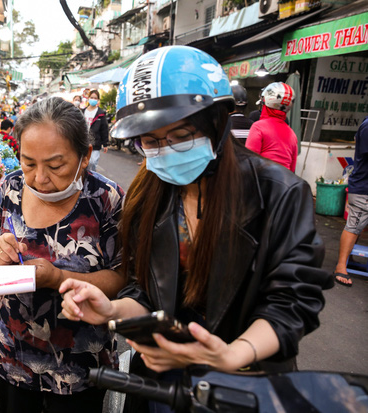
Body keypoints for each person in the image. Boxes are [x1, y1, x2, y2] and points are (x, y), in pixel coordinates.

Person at [59, 46, 332, 412]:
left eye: (181, 135)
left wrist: (233, 354)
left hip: (246, 381)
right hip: (163, 382)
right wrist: (112, 309)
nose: (165, 151)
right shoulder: (146, 194)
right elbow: (144, 288)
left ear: (218, 123)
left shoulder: (279, 193)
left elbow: (293, 301)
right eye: (151, 142)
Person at [0, 97, 125, 413]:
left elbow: (122, 280)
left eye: (56, 166)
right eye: (28, 163)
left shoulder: (105, 199)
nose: (39, 178)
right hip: (13, 355)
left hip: (81, 365)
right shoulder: (11, 187)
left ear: (85, 157)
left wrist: (57, 278)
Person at [333, 114, 368, 286]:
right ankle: (341, 266)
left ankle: (348, 257)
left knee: (358, 226)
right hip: (364, 188)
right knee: (354, 226)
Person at [245, 82, 298, 172]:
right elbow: (292, 169)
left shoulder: (258, 127)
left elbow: (250, 162)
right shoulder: (292, 134)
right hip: (285, 183)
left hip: (263, 181)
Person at [83, 89, 109, 172]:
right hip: (83, 140)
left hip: (95, 142)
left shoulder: (101, 114)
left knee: (93, 162)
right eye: (92, 97)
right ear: (88, 98)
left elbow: (104, 129)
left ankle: (91, 178)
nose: (93, 99)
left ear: (98, 100)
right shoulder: (83, 112)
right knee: (83, 162)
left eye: (95, 98)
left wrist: (105, 143)